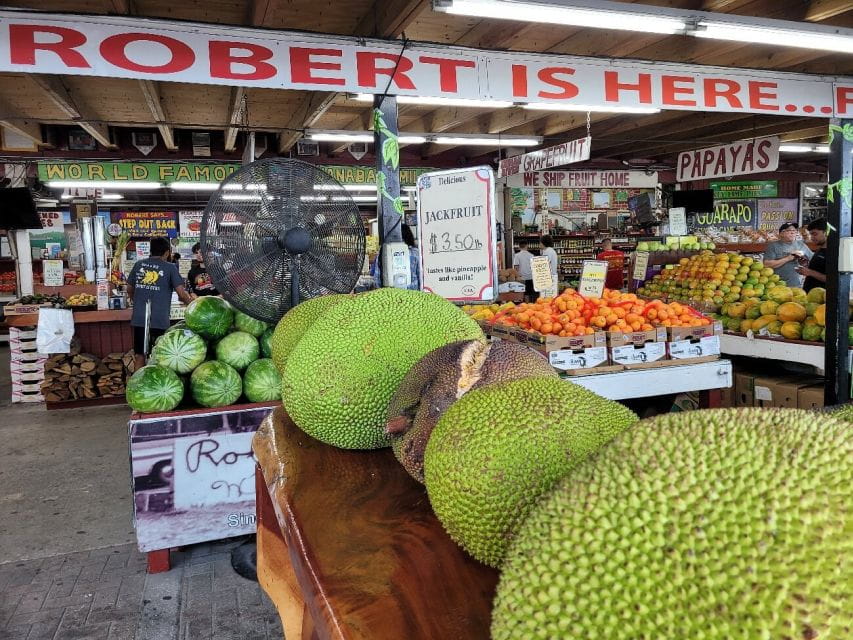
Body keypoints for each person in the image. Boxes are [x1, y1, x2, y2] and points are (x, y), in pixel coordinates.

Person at [127, 237, 195, 370]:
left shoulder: (139, 264)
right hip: (159, 319)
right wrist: (192, 306)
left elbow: (129, 289)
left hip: (140, 318)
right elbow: (182, 294)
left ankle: (138, 385)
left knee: (140, 354)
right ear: (167, 252)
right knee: (161, 355)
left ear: (150, 251)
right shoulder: (170, 267)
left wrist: (136, 300)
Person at [371, 224, 420, 290]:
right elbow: (421, 278)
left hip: (389, 295)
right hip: (413, 295)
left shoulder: (382, 254)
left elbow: (377, 280)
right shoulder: (416, 254)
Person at [764, 222, 813, 288]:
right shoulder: (773, 246)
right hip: (778, 286)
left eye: (794, 230)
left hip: (797, 285)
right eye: (789, 230)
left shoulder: (801, 244)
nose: (792, 233)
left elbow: (813, 260)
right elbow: (767, 264)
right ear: (781, 233)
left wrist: (804, 261)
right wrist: (788, 258)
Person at [798, 218, 827, 292]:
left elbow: (834, 279)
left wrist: (810, 272)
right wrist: (805, 264)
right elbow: (818, 269)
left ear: (826, 232)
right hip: (810, 295)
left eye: (815, 234)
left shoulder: (834, 253)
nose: (812, 237)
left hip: (821, 298)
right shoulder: (820, 249)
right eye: (810, 234)